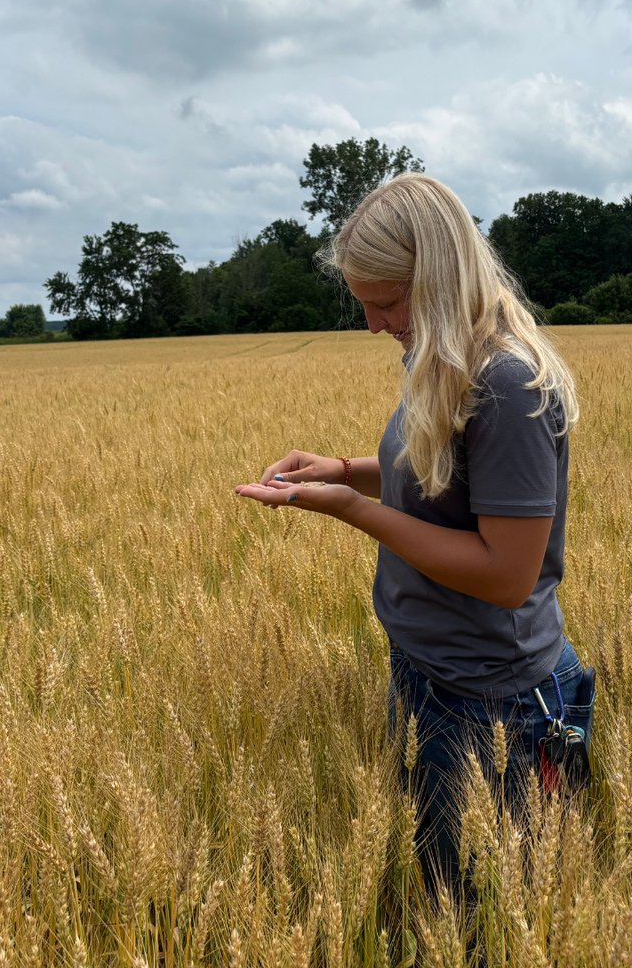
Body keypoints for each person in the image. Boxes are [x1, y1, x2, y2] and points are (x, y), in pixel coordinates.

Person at [235, 174, 593, 891]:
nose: (372, 324)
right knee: (447, 895)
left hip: (488, 701)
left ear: (437, 277)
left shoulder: (508, 384)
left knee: (478, 914)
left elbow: (506, 574)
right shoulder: (447, 361)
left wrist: (350, 509)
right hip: (437, 676)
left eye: (386, 302)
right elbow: (439, 473)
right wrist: (339, 468)